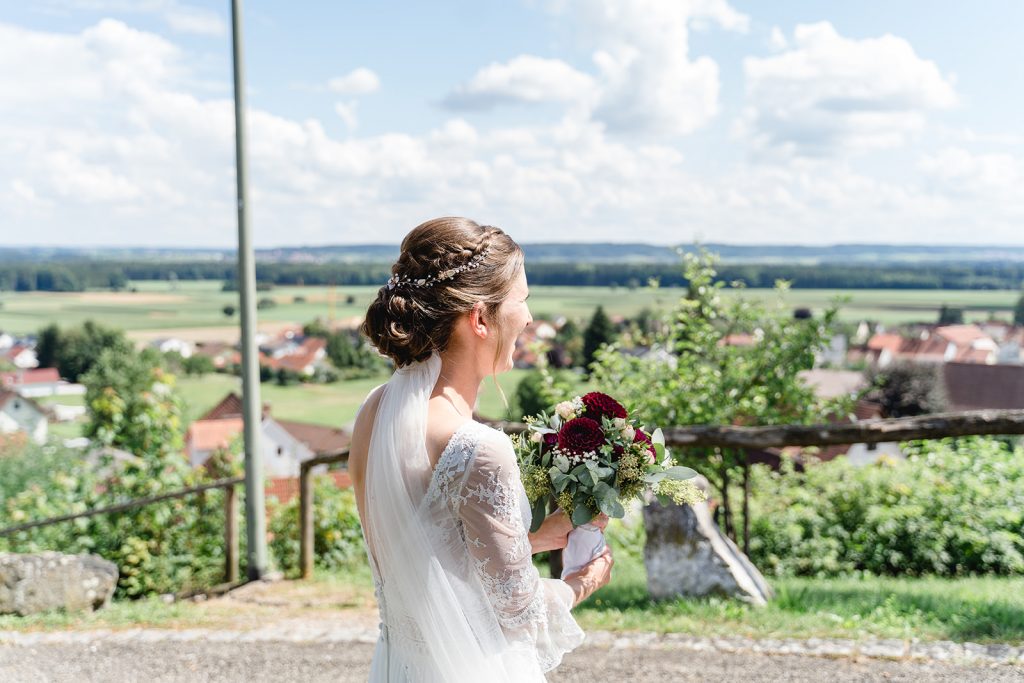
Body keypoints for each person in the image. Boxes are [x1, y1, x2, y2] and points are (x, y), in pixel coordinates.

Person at [348, 217, 614, 681]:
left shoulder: (374, 409)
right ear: (479, 318)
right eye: (521, 300)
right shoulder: (477, 447)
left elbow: (419, 556)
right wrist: (583, 582)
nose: (528, 318)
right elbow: (521, 614)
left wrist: (530, 540)